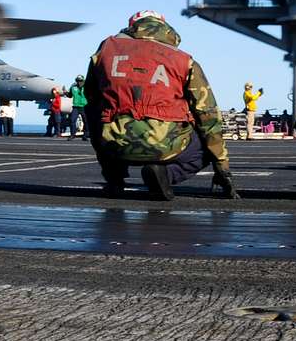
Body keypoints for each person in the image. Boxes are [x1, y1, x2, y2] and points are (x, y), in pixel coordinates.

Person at [83, 10, 239, 201]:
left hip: (114, 144)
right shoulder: (185, 60)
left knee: (102, 119)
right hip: (166, 144)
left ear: (133, 26)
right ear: (165, 28)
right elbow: (208, 114)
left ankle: (115, 181)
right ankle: (164, 175)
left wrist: (99, 141)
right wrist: (222, 168)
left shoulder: (105, 51)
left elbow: (90, 100)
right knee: (206, 146)